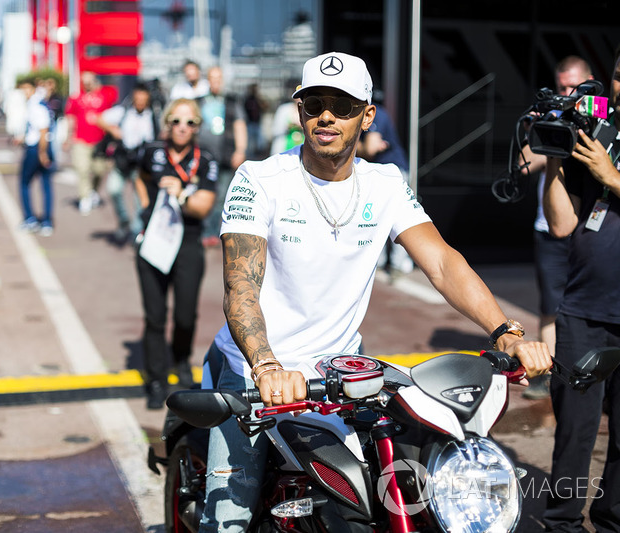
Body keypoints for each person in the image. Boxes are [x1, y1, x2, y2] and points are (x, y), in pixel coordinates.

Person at [199, 52, 553, 532]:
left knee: (372, 497)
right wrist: (266, 366)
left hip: (337, 375)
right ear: (299, 110)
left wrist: (506, 332)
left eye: (342, 106)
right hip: (255, 371)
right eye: (315, 103)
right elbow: (241, 287)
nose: (326, 116)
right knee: (229, 518)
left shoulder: (384, 183)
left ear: (367, 116)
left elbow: (444, 263)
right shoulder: (260, 179)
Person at [541, 47, 620, 532]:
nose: (619, 87)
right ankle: (561, 522)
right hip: (584, 310)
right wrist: (553, 162)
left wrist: (611, 176)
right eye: (617, 76)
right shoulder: (599, 134)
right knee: (573, 433)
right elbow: (562, 225)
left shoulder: (606, 156)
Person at [518, 56, 593, 400]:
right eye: (562, 86)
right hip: (548, 228)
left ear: (591, 83)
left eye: (574, 87)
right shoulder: (550, 117)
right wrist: (538, 133)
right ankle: (550, 374)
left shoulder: (603, 122)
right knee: (550, 305)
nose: (567, 93)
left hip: (590, 230)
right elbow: (521, 168)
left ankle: (590, 375)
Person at [135, 98, 218, 409]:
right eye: (176, 121)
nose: (182, 128)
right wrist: (145, 209)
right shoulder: (152, 152)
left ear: (197, 127)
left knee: (185, 314)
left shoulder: (205, 159)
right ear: (166, 124)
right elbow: (139, 178)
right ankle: (156, 378)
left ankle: (181, 361)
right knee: (155, 316)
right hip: (154, 241)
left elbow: (204, 206)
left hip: (188, 241)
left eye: (190, 122)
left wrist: (181, 194)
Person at [357, 97, 414, 277]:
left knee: (397, 219)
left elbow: (370, 149)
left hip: (392, 172)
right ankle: (381, 263)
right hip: (379, 171)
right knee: (374, 216)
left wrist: (348, 144)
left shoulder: (377, 114)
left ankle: (399, 264)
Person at [97, 83, 158, 244]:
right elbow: (100, 119)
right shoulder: (123, 111)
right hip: (123, 160)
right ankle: (124, 221)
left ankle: (137, 233)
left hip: (142, 163)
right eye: (137, 98)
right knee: (113, 189)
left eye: (143, 99)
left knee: (140, 201)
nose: (140, 102)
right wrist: (113, 131)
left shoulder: (153, 114)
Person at [196, 66, 247, 247]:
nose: (215, 82)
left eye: (219, 78)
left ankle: (211, 231)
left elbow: (240, 125)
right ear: (208, 80)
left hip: (225, 156)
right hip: (202, 156)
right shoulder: (199, 102)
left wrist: (240, 150)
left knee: (221, 196)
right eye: (212, 78)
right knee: (202, 192)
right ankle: (203, 229)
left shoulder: (232, 101)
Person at [64, 71, 117, 215]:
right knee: (82, 169)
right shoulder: (76, 98)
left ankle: (93, 191)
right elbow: (70, 118)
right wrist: (67, 138)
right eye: (84, 81)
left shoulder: (103, 96)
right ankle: (84, 197)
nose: (87, 84)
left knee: (99, 169)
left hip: (99, 141)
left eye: (89, 81)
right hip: (80, 140)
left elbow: (112, 116)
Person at [15, 77, 55, 236]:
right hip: (39, 146)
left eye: (26, 89)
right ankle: (45, 221)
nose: (24, 92)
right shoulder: (38, 103)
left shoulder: (36, 104)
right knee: (45, 185)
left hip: (37, 149)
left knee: (26, 183)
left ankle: (32, 218)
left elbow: (43, 130)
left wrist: (42, 153)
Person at [243, 83, 267, 158]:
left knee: (260, 142)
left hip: (257, 123)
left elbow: (265, 107)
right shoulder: (247, 99)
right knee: (250, 142)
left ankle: (259, 155)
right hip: (249, 123)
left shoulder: (257, 99)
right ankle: (251, 156)